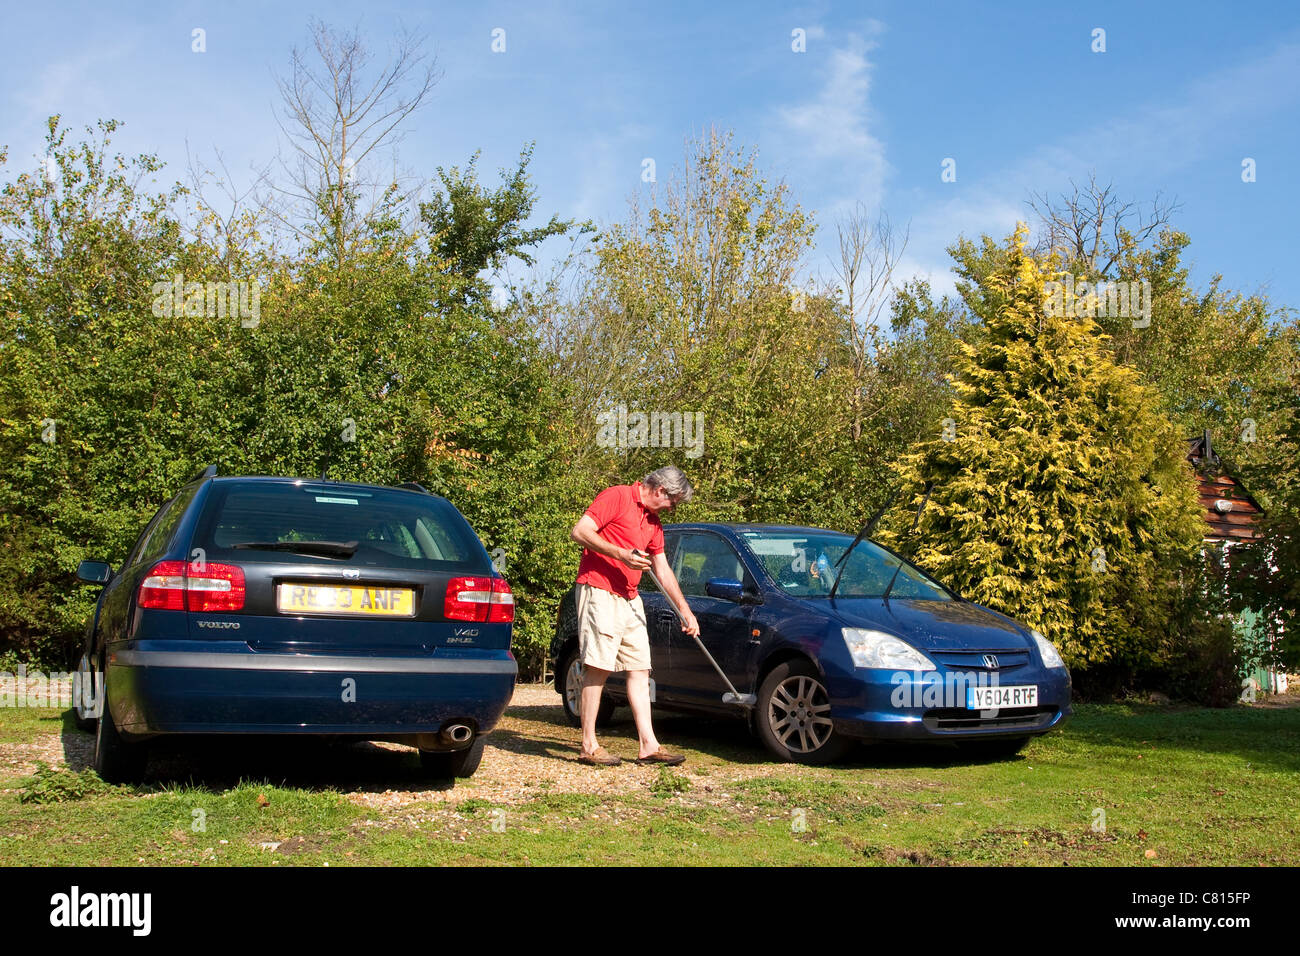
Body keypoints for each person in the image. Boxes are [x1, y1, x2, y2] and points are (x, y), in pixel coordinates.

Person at [569, 465, 699, 766]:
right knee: (598, 666)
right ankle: (588, 745)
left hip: (630, 597)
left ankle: (648, 746)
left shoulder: (653, 523)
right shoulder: (616, 497)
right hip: (598, 591)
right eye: (673, 502)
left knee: (640, 669)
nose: (672, 509)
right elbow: (580, 531)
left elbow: (662, 568)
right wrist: (620, 554)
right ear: (659, 490)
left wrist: (685, 610)